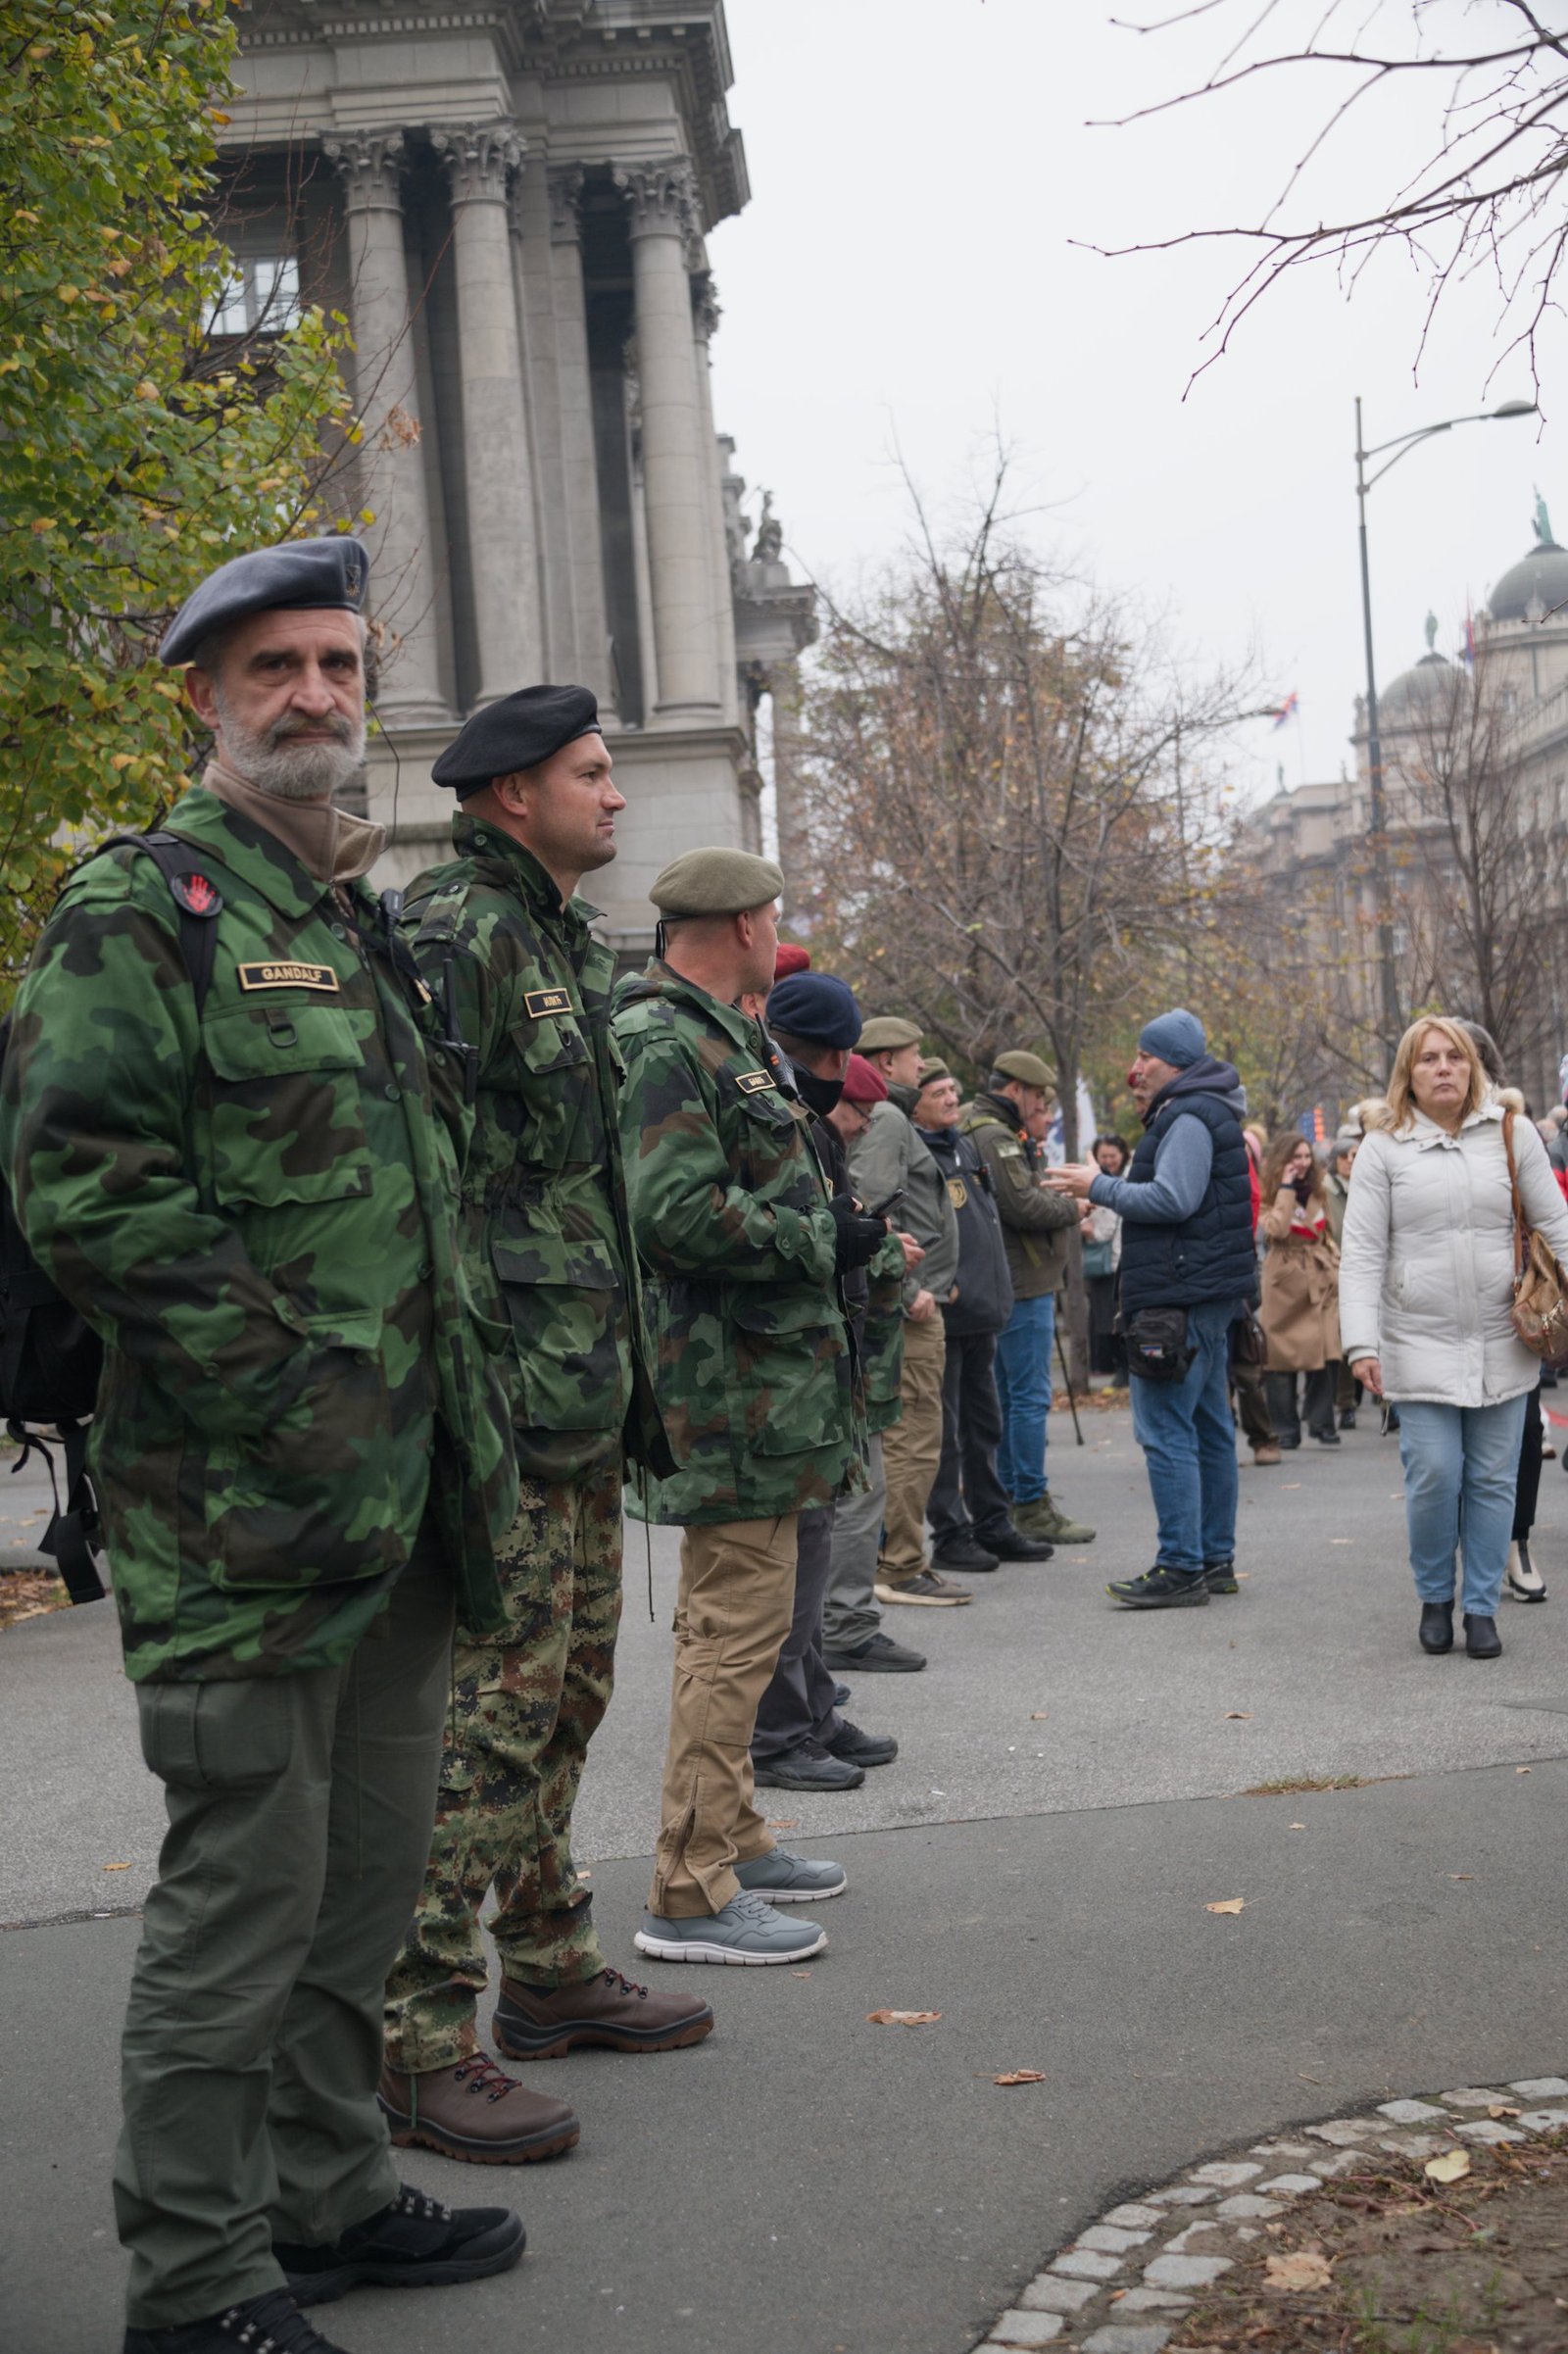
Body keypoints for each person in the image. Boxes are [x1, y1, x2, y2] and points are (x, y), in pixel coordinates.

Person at [0, 540, 525, 2354]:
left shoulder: (351, 919)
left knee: (363, 1883)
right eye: (273, 667)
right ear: (205, 701)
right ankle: (196, 2275)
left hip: (403, 1502)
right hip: (242, 1510)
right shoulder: (142, 907)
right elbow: (86, 1186)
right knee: (243, 1896)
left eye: (337, 663)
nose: (314, 694)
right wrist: (290, 1390)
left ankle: (326, 2189)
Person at [378, 686, 712, 2168]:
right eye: (592, 772)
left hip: (575, 1390)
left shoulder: (558, 934)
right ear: (513, 793)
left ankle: (552, 1962)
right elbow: (425, 1179)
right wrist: (464, 1400)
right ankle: (414, 2035)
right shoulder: (458, 933)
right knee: (490, 1722)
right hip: (507, 1400)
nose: (618, 794)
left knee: (568, 1695)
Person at [612, 849, 880, 1966]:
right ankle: (688, 1887)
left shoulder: (726, 1033)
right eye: (772, 918)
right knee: (729, 1639)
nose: (777, 934)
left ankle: (732, 1835)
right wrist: (819, 1236)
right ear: (737, 925)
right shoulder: (663, 1039)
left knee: (749, 1626)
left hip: (773, 1389)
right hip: (730, 1394)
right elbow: (672, 1213)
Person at [1340, 1015, 1568, 1658]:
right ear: (1407, 1074)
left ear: (1472, 1067)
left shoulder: (1511, 1133)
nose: (1443, 1068)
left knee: (1494, 1480)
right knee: (1435, 1475)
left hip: (1504, 1338)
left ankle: (1481, 1608)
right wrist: (1361, 1343)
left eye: (1455, 1057)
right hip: (1417, 1340)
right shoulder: (1383, 1148)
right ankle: (1436, 1595)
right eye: (1428, 1058)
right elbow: (1361, 1253)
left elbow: (1557, 1225)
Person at [749, 973, 905, 1790]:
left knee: (810, 1554)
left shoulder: (803, 1120)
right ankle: (779, 1733)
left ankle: (810, 1711)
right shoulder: (773, 1108)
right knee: (785, 1569)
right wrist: (831, 1235)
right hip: (777, 1374)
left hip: (819, 1364)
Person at [1048, 1009, 1255, 1608]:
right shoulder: (1204, 1108)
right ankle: (1213, 1559)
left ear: (1177, 1064)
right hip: (1202, 1295)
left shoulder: (1188, 1115)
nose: (1135, 1068)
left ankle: (1181, 1566)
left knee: (1166, 1430)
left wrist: (1098, 1186)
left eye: (1146, 1057)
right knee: (1209, 1428)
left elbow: (1173, 1199)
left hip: (1178, 1298)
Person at [914, 1064, 1054, 1574]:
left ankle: (993, 1522)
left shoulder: (963, 1145)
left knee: (985, 1425)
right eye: (939, 1092)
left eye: (953, 1090)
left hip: (982, 1309)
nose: (952, 1099)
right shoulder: (916, 1151)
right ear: (915, 1103)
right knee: (946, 1431)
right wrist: (936, 1282)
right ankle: (951, 1533)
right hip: (947, 1311)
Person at [851, 1016, 968, 1608]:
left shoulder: (891, 1116)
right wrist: (908, 1287)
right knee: (913, 1438)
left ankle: (898, 1558)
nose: (922, 1065)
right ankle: (898, 1564)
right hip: (908, 1308)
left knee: (913, 1435)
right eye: (914, 1055)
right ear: (887, 1061)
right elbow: (871, 1206)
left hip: (914, 1299)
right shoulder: (890, 1118)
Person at [821, 1053, 929, 1672]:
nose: (865, 1125)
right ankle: (843, 1626)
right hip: (841, 1356)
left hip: (858, 1352)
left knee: (859, 1498)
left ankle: (836, 1628)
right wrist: (889, 1250)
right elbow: (830, 1243)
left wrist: (884, 1242)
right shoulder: (813, 1147)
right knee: (857, 1502)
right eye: (858, 1111)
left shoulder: (827, 1148)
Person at [959, 1054, 1095, 1544]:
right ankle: (1030, 1503)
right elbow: (1021, 1205)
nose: (1041, 1108)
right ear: (1015, 1090)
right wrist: (1074, 1207)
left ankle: (1012, 1500)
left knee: (1008, 1397)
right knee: (1028, 1398)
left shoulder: (985, 1128)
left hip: (1009, 1278)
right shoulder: (996, 1136)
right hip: (1023, 1281)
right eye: (1037, 1098)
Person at [1257, 1131, 1343, 1450]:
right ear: (1282, 1160)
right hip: (1285, 1281)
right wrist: (1286, 1188)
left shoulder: (1320, 1190)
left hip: (1320, 1276)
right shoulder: (1270, 1193)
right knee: (1280, 1359)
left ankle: (1322, 1422)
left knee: (1327, 1351)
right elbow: (1276, 1230)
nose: (1303, 1163)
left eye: (1307, 1156)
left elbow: (1328, 1231)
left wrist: (1334, 1262)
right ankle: (1285, 1428)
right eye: (1296, 1157)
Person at [1324, 1126, 1363, 1428]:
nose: (1352, 1161)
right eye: (1347, 1156)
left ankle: (1358, 1400)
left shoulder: (1366, 1185)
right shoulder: (1325, 1190)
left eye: (1356, 1156)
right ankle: (1343, 1402)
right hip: (1334, 1270)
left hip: (1362, 1267)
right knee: (1339, 1340)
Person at [1083, 1136, 1129, 1386]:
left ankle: (1126, 1369)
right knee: (1104, 1320)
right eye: (1104, 1156)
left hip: (1123, 1260)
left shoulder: (1130, 1179)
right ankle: (1117, 1367)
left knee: (1122, 1319)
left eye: (1113, 1155)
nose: (1109, 1160)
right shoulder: (1089, 1180)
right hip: (1101, 1263)